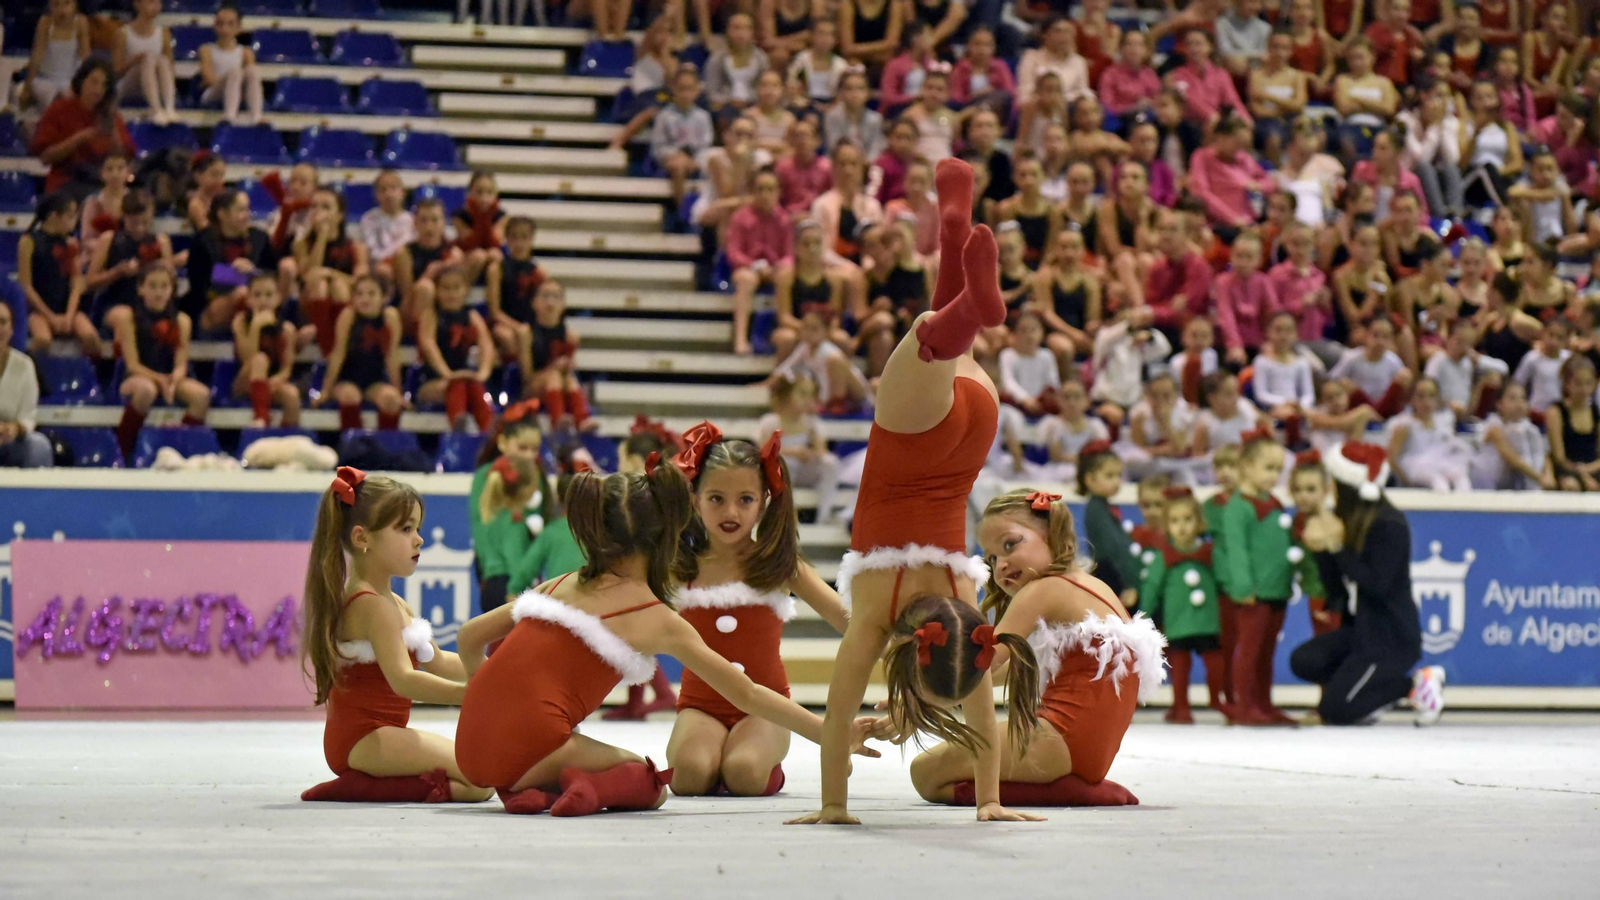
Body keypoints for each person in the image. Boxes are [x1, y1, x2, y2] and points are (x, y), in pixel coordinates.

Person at [791, 159, 1041, 826]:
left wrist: (992, 797)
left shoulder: (967, 610)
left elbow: (982, 717)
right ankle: (970, 298)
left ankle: (956, 229)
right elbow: (836, 716)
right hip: (912, 448)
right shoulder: (877, 615)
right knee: (930, 340)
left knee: (950, 349)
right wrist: (831, 806)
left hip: (971, 441)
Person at [452, 465, 878, 815]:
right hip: (533, 748)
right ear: (667, 536)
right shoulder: (652, 616)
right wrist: (830, 733)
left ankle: (529, 786)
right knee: (651, 782)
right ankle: (580, 787)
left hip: (468, 749)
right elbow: (746, 692)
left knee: (553, 751)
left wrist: (486, 700)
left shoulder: (557, 585)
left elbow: (470, 637)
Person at [883, 487, 1159, 808]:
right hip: (1089, 748)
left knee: (926, 774)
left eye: (1010, 545)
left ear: (1052, 531)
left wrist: (917, 703)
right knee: (950, 765)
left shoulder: (1043, 590)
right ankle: (1072, 783)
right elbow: (1008, 669)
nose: (1000, 565)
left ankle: (1071, 791)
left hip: (1062, 737)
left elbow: (981, 666)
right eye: (992, 557)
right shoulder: (1093, 586)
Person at [665, 422, 850, 796]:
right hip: (700, 706)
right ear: (694, 499)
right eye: (716, 498)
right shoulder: (677, 563)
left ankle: (760, 760)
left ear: (764, 501)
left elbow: (844, 619)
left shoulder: (779, 564)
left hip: (767, 708)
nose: (730, 511)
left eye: (745, 499)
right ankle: (716, 754)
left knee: (744, 774)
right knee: (689, 776)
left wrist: (897, 640)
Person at [300, 468, 492, 803]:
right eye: (405, 529)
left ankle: (367, 783)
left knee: (481, 781)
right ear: (363, 539)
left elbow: (438, 661)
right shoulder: (371, 606)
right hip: (362, 739)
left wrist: (496, 675)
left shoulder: (394, 602)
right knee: (480, 780)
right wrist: (469, 695)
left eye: (417, 528)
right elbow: (404, 679)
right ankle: (354, 787)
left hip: (382, 735)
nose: (418, 539)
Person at [1295, 442, 1443, 726]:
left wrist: (1338, 548)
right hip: (1361, 632)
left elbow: (1377, 584)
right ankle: (1363, 694)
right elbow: (1339, 583)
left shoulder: (1390, 525)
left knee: (1335, 711)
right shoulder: (1350, 520)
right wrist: (1322, 552)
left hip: (1390, 638)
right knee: (1305, 660)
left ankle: (1415, 684)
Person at [1217, 433, 1296, 726]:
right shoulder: (1238, 506)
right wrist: (1242, 586)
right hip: (1254, 592)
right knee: (1248, 652)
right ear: (1246, 467)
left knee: (1266, 653)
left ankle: (1264, 703)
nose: (1274, 476)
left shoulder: (1273, 502)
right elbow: (1235, 550)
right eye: (1268, 468)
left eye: (1278, 469)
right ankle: (1244, 704)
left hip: (1276, 589)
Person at [106, 267, 210, 461]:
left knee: (201, 396)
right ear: (141, 289)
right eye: (152, 286)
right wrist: (161, 381)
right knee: (147, 391)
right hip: (137, 377)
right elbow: (132, 365)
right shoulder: (130, 319)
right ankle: (123, 450)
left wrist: (174, 379)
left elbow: (181, 363)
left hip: (169, 375)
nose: (159, 292)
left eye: (164, 286)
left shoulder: (181, 320)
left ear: (172, 290)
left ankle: (179, 445)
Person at [1140, 491, 1223, 724]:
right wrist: (1143, 617)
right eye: (1175, 521)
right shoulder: (1163, 556)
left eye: (1188, 519)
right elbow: (1152, 587)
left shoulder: (1209, 553)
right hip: (1177, 622)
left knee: (1214, 660)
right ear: (1166, 525)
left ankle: (1217, 699)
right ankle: (1181, 706)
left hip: (1207, 619)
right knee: (1178, 664)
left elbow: (1224, 579)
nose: (1182, 527)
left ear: (1199, 522)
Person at [30, 58, 136, 197]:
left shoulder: (110, 115)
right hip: (67, 181)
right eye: (94, 82)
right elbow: (46, 157)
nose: (98, 90)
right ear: (81, 81)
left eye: (104, 85)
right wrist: (80, 138)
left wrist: (114, 135)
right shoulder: (59, 109)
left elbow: (124, 158)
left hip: (102, 181)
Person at [315, 274, 404, 433]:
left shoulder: (391, 317)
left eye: (371, 294)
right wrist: (326, 390)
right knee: (351, 396)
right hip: (346, 378)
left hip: (374, 380)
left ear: (384, 297)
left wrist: (398, 391)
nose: (365, 299)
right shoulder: (348, 316)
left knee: (391, 399)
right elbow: (338, 353)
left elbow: (392, 356)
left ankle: (385, 446)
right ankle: (354, 445)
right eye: (359, 294)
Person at [417, 266, 496, 434]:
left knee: (474, 386)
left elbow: (487, 345)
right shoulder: (431, 315)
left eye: (456, 288)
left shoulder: (472, 316)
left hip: (464, 379)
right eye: (446, 288)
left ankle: (488, 435)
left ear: (465, 290)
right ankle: (459, 432)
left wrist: (483, 373)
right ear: (437, 291)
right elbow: (428, 346)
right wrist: (447, 374)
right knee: (458, 385)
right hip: (432, 380)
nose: (451, 294)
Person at [18, 192, 96, 357]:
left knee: (90, 336)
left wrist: (69, 315)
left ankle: (85, 376)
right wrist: (50, 316)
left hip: (67, 308)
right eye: (70, 216)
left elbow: (76, 283)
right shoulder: (28, 242)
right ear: (54, 216)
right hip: (39, 310)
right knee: (42, 339)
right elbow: (26, 285)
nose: (74, 221)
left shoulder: (71, 243)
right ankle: (31, 373)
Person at [759, 376, 847, 520]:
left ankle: (823, 516)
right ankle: (779, 515)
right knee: (784, 463)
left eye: (811, 395)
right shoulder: (771, 422)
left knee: (830, 463)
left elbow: (821, 451)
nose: (808, 399)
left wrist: (810, 454)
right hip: (781, 470)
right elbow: (764, 452)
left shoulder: (811, 423)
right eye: (802, 394)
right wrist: (793, 451)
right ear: (786, 395)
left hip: (804, 470)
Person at [295, 188, 369, 358]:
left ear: (340, 215)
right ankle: (328, 347)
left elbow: (360, 282)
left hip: (344, 304)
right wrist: (321, 236)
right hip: (310, 303)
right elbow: (309, 275)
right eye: (314, 207)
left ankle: (332, 340)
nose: (319, 212)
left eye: (326, 207)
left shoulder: (356, 247)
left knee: (338, 286)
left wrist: (329, 273)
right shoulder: (301, 244)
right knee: (320, 284)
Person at [728, 170, 794, 357]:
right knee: (745, 279)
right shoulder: (740, 218)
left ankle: (783, 333)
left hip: (775, 271)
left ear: (778, 192)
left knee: (787, 274)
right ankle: (740, 338)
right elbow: (734, 253)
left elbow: (789, 254)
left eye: (770, 189)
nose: (766, 194)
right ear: (753, 192)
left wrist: (779, 266)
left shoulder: (784, 219)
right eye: (761, 189)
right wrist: (756, 266)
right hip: (749, 269)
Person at [232, 273, 300, 429]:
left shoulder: (287, 329)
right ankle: (261, 419)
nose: (263, 300)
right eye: (257, 295)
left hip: (270, 382)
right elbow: (247, 359)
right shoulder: (241, 322)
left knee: (292, 395)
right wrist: (256, 326)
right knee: (260, 359)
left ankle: (287, 439)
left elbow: (287, 369)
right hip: (245, 381)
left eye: (269, 295)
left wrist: (273, 382)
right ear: (248, 300)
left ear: (278, 299)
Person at [1386, 376, 1475, 490]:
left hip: (1438, 462)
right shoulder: (1406, 424)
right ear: (1412, 399)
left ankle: (1464, 505)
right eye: (1421, 396)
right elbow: (1392, 459)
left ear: (1438, 399)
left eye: (1432, 396)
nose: (1426, 401)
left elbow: (1449, 446)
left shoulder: (1443, 422)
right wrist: (1408, 484)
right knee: (1438, 481)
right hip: (1414, 467)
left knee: (1460, 477)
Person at [393, 197, 460, 333]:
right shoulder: (404, 254)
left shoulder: (454, 253)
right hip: (412, 312)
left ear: (443, 223)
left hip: (443, 311)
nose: (429, 226)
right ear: (415, 224)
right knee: (425, 288)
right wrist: (430, 273)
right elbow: (408, 297)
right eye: (424, 220)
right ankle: (425, 340)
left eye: (435, 220)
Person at [1470, 381, 1554, 490]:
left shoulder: (1528, 428)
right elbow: (1513, 459)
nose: (1519, 403)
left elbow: (1543, 453)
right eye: (1512, 398)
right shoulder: (1493, 428)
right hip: (1485, 485)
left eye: (1523, 398)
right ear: (1499, 404)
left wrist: (1549, 474)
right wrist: (1540, 478)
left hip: (1512, 484)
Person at [0, 304, 52, 468]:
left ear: (11, 330)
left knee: (39, 446)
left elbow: (28, 415)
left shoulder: (25, 365)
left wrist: (14, 429)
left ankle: (39, 494)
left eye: (2, 322)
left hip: (11, 441)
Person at [114, 0, 179, 125]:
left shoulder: (164, 33)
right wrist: (134, 61)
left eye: (158, 2)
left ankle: (170, 108)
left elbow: (170, 69)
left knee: (163, 60)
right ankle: (156, 110)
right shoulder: (123, 33)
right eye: (150, 2)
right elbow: (116, 72)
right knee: (148, 59)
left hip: (155, 84)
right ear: (137, 4)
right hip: (129, 86)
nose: (155, 6)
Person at [197, 4, 264, 125]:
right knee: (235, 72)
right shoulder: (206, 49)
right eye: (220, 24)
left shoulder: (245, 52)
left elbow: (251, 80)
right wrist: (231, 81)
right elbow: (208, 79)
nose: (225, 29)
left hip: (237, 91)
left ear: (238, 27)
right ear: (215, 26)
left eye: (230, 24)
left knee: (252, 71)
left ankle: (256, 115)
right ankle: (230, 115)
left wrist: (235, 85)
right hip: (213, 93)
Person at [22, 0, 89, 113]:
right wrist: (27, 88)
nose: (62, 10)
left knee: (70, 97)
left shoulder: (80, 22)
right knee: (51, 97)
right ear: (50, 6)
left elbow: (85, 58)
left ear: (75, 5)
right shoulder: (45, 23)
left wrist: (86, 85)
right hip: (46, 79)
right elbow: (36, 58)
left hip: (70, 79)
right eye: (56, 5)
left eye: (67, 3)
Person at [1546, 357, 1599, 492]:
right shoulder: (1556, 412)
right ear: (1567, 384)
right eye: (1578, 384)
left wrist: (1588, 471)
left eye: (1588, 383)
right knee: (1571, 486)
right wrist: (1581, 473)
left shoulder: (1596, 412)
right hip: (1567, 469)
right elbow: (1559, 457)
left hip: (1591, 467)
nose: (1584, 389)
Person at [357, 169, 415, 283]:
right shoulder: (369, 219)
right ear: (376, 195)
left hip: (404, 267)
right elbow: (371, 248)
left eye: (393, 188)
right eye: (383, 190)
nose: (388, 194)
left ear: (402, 192)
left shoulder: (412, 220)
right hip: (376, 267)